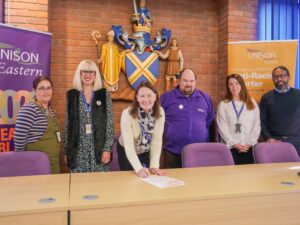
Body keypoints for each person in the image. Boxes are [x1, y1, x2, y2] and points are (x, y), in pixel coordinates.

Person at [64, 59, 114, 173]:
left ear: (95, 75)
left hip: (99, 149)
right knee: (79, 186)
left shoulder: (104, 95)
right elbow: (68, 126)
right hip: (77, 150)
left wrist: (107, 149)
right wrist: (67, 151)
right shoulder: (72, 95)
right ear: (79, 74)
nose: (88, 75)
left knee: (99, 185)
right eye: (84, 71)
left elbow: (110, 124)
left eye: (91, 72)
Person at [161, 68, 214, 168]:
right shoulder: (166, 98)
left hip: (198, 152)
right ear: (179, 81)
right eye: (185, 80)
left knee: (197, 182)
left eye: (191, 81)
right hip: (173, 152)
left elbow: (209, 120)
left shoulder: (205, 98)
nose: (188, 84)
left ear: (195, 82)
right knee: (173, 182)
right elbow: (159, 121)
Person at [118, 81, 165, 178]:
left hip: (145, 150)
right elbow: (129, 145)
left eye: (149, 95)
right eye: (142, 96)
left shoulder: (160, 112)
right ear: (137, 98)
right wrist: (138, 169)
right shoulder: (127, 114)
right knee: (131, 179)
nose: (146, 99)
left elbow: (156, 141)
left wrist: (154, 166)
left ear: (155, 97)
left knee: (148, 177)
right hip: (127, 151)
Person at [14, 76, 61, 173]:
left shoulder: (52, 111)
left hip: (54, 162)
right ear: (34, 91)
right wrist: (24, 162)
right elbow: (19, 140)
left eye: (48, 88)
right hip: (36, 165)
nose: (46, 91)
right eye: (41, 88)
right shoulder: (29, 109)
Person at [217, 74, 260, 164]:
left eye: (237, 83)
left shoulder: (252, 103)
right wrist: (234, 143)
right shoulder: (224, 104)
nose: (234, 87)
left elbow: (256, 125)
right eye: (230, 84)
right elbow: (222, 127)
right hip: (230, 148)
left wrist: (249, 143)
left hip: (249, 148)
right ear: (228, 86)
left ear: (242, 85)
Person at [260, 66, 300, 156]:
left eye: (282, 76)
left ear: (288, 77)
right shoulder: (266, 98)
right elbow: (262, 121)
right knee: (277, 168)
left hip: (298, 141)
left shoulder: (299, 95)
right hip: (276, 141)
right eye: (276, 77)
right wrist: (268, 137)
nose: (279, 79)